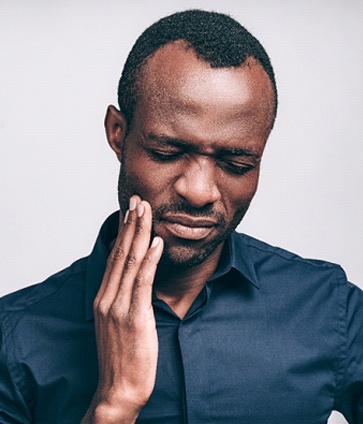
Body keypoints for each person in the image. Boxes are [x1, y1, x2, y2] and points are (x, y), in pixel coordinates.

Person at [0, 9, 362, 424]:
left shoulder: (329, 307)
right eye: (167, 153)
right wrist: (115, 404)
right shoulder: (15, 337)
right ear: (118, 132)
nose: (199, 191)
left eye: (237, 162)